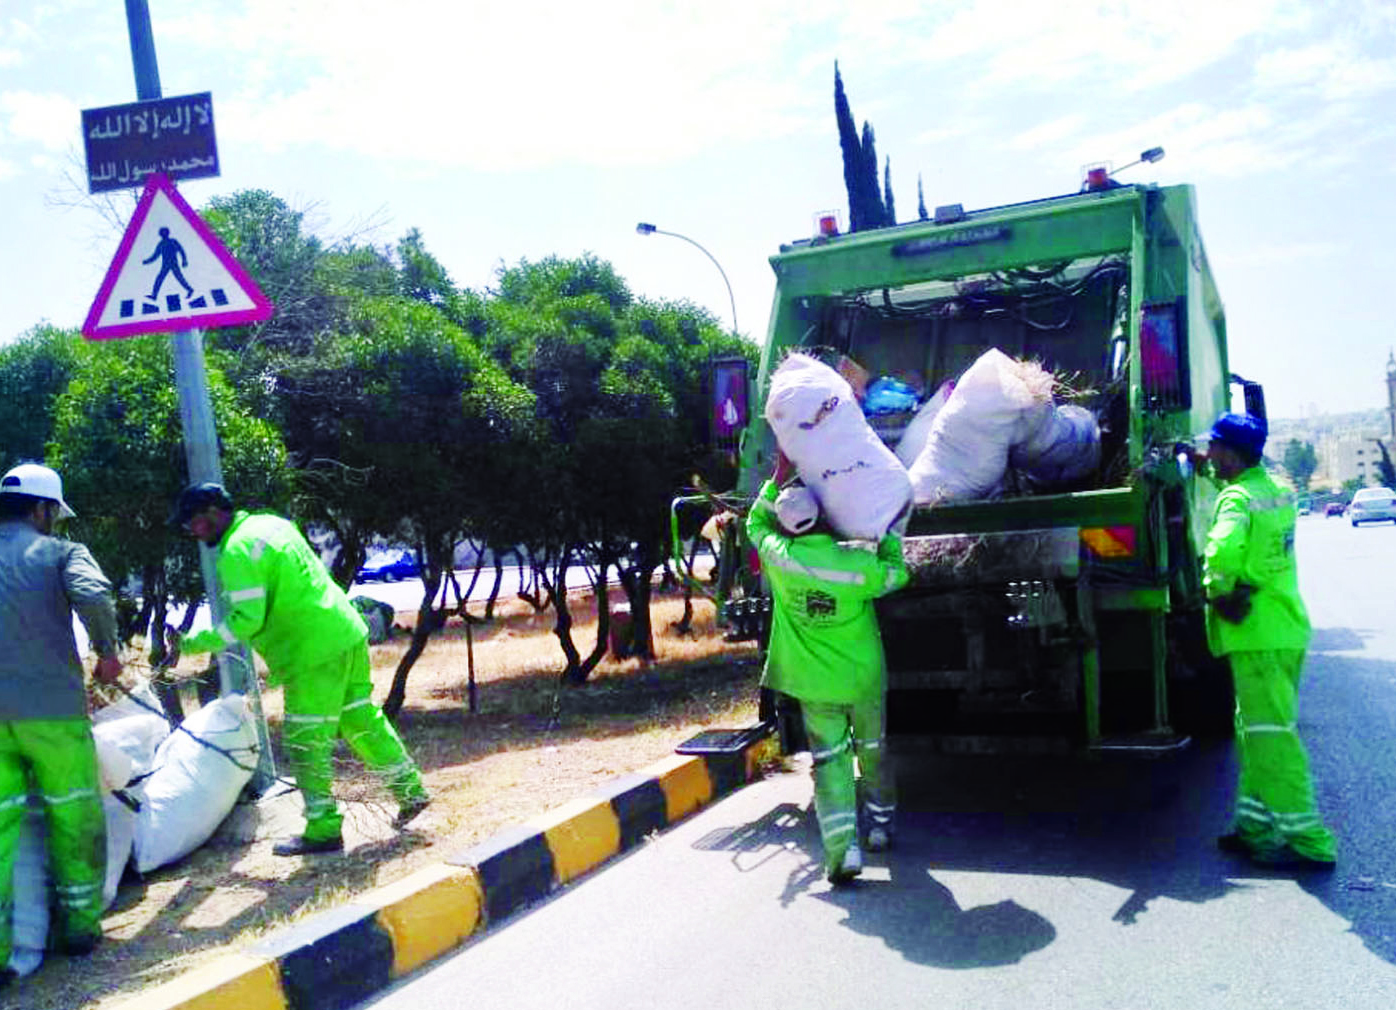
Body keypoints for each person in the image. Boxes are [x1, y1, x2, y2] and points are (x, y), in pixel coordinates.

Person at [170, 482, 430, 856]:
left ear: (212, 513)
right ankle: (411, 791)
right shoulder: (269, 524)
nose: (192, 532)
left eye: (192, 523)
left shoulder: (236, 552)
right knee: (362, 720)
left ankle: (323, 829)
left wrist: (190, 644)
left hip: (312, 651)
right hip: (344, 630)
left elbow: (245, 621)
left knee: (305, 740)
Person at [746, 453, 908, 884]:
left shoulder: (781, 560)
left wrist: (776, 478)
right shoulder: (856, 566)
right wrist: (889, 536)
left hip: (815, 685)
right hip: (862, 678)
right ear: (823, 520)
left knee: (830, 763)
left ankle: (843, 851)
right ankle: (880, 826)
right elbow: (897, 576)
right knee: (873, 751)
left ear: (787, 528)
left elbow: (753, 526)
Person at [0, 464, 121, 977]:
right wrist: (108, 652)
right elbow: (93, 595)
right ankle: (78, 928)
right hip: (51, 712)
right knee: (73, 816)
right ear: (42, 508)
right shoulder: (59, 552)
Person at [1201, 413, 1336, 870]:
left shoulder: (1236, 499)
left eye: (1214, 448)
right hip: (1285, 626)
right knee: (1256, 732)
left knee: (1273, 739)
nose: (1209, 456)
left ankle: (1310, 841)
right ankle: (1254, 827)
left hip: (1255, 635)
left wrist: (1217, 592)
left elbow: (1221, 552)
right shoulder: (1278, 489)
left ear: (1231, 453)